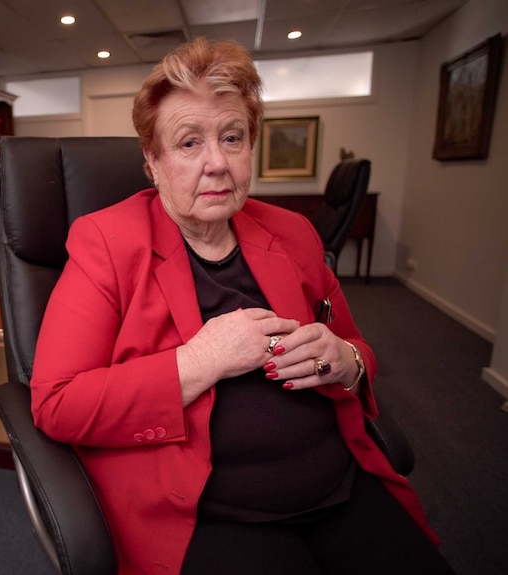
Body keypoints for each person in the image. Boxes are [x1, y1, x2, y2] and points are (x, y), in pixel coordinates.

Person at [29, 37, 456, 575]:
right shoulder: (106, 244)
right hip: (208, 513)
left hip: (340, 485)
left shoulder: (294, 234)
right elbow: (57, 402)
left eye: (232, 138)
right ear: (152, 162)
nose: (217, 164)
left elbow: (359, 351)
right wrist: (201, 360)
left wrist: (345, 360)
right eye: (188, 144)